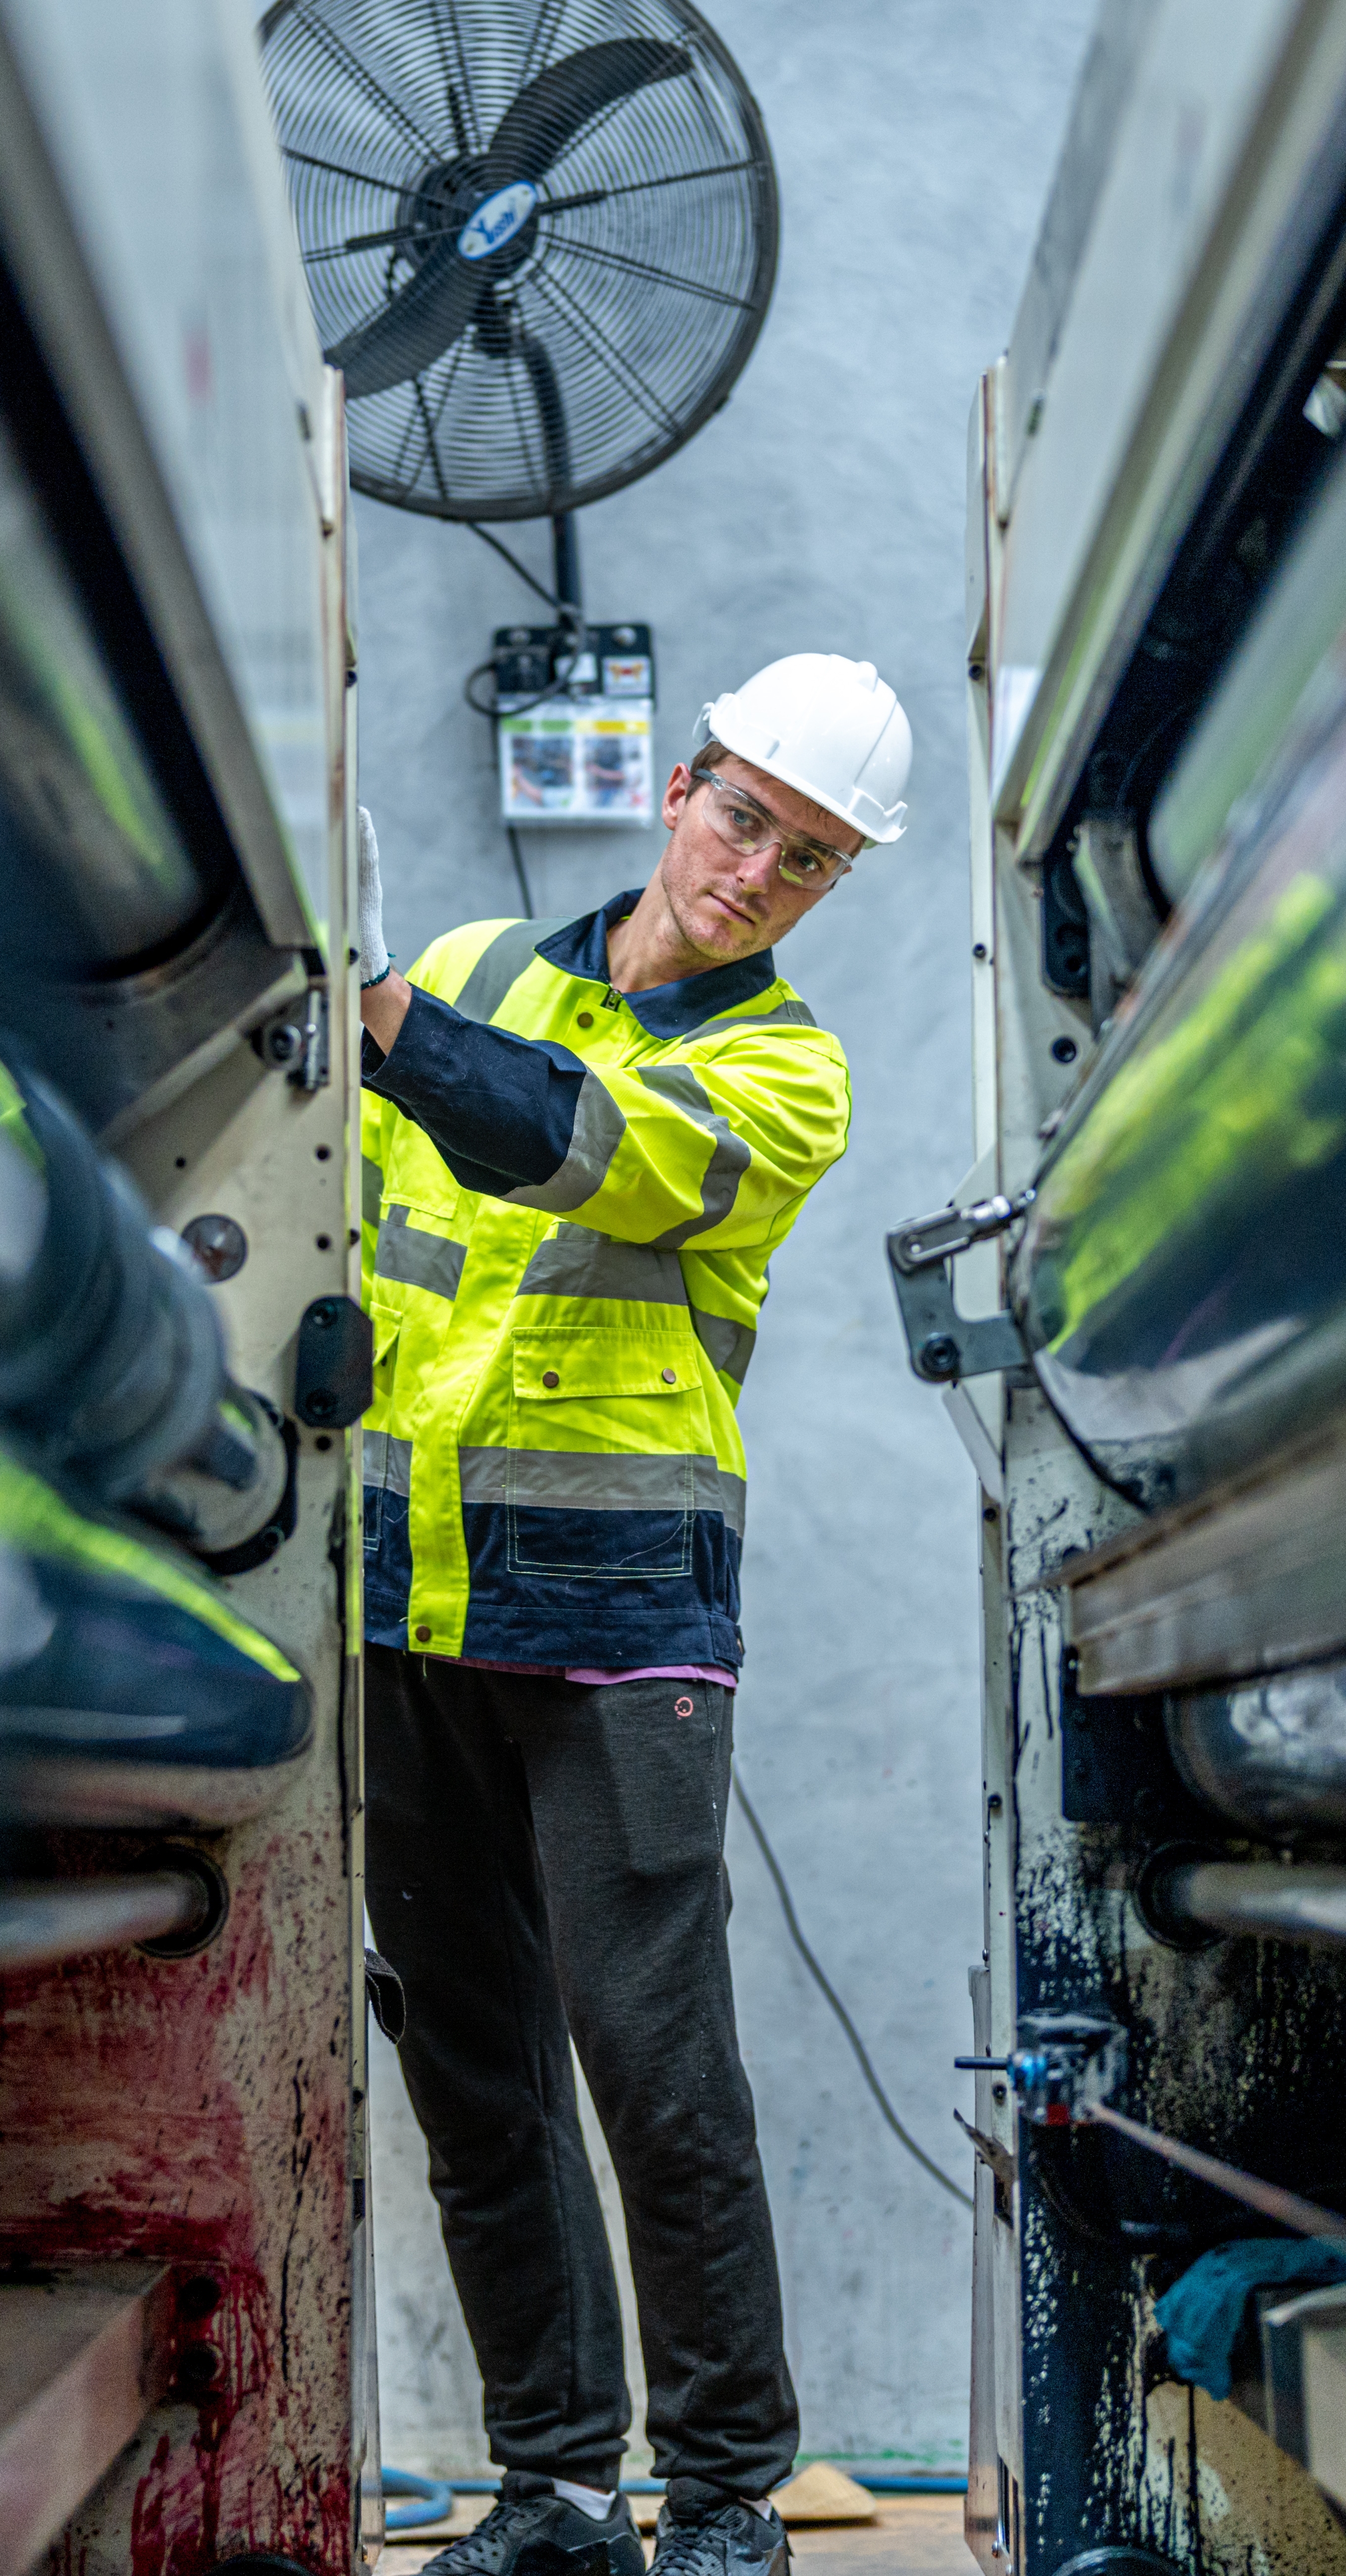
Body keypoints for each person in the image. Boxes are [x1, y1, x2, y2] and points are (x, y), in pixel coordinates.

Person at [344, 652, 912, 2576]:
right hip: (413, 1601)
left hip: (620, 1621)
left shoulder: (786, 1072)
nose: (760, 871)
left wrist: (378, 1019)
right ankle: (557, 2488)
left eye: (812, 859)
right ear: (683, 788)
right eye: (746, 817)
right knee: (472, 2071)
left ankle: (729, 2492)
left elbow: (581, 1142)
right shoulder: (477, 965)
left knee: (657, 2071)